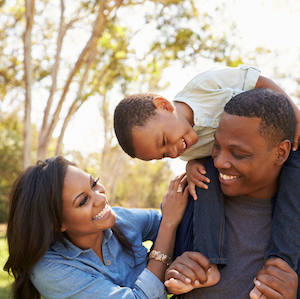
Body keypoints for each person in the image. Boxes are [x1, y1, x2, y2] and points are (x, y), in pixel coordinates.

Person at [113, 65, 300, 279]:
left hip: (281, 136)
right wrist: (191, 164)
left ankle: (281, 261)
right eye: (164, 155)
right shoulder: (185, 149)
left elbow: (258, 81)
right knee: (203, 181)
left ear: (163, 105)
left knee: (293, 187)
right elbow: (209, 156)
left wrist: (293, 114)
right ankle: (207, 261)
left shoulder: (203, 86)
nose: (173, 152)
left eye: (164, 141)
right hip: (227, 166)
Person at [164, 88, 299, 298]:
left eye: (238, 153)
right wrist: (173, 271)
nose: (218, 162)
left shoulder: (292, 225)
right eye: (217, 146)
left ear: (280, 153)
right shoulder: (190, 201)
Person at [4, 156, 191, 299]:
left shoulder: (122, 220)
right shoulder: (51, 270)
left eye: (94, 184)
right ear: (57, 223)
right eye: (83, 200)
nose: (101, 198)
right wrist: (168, 225)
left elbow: (183, 226)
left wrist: (194, 169)